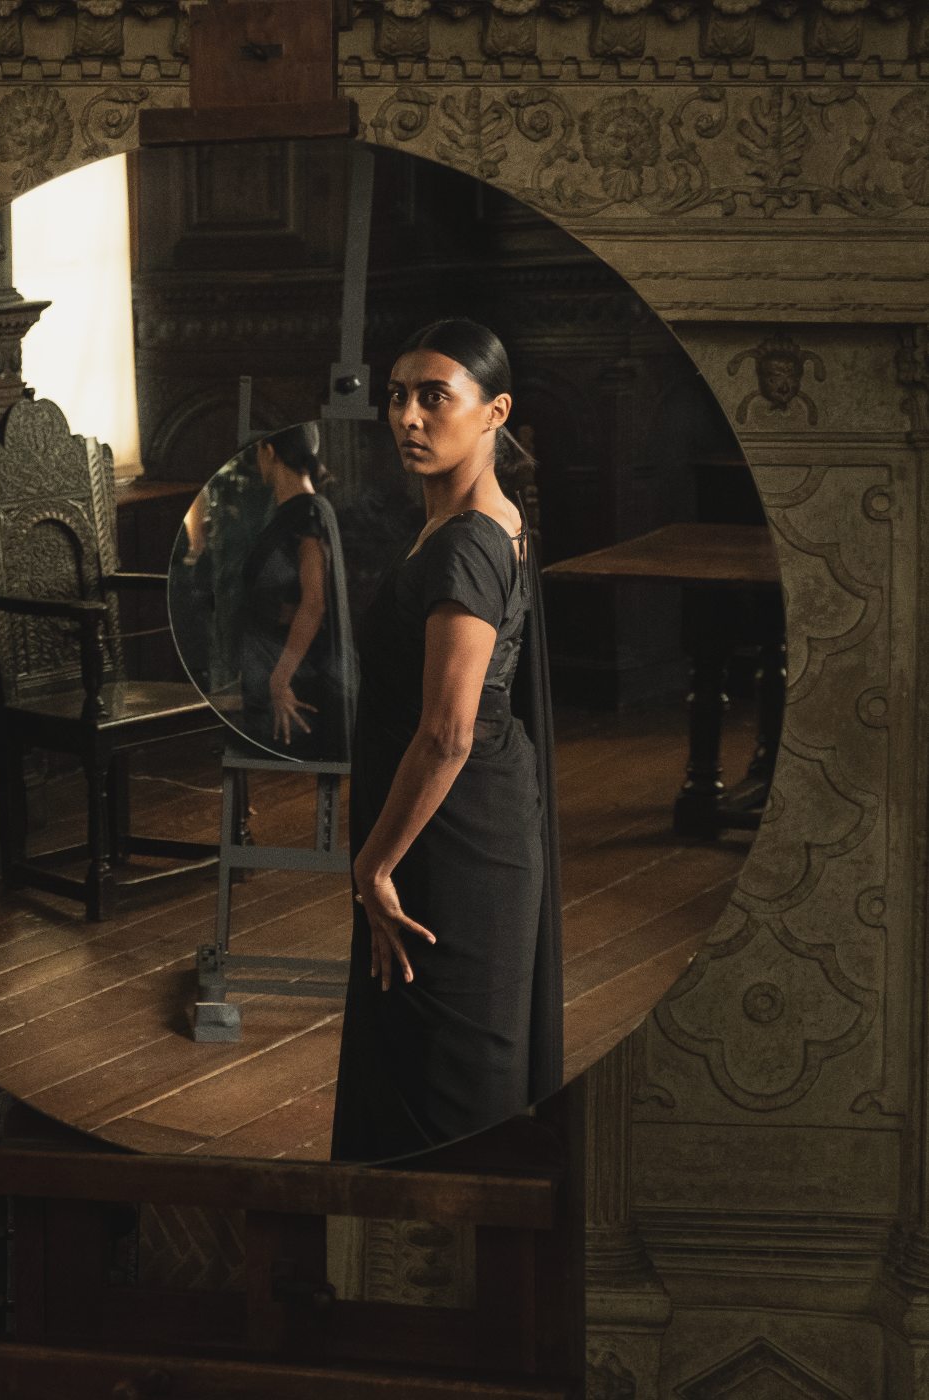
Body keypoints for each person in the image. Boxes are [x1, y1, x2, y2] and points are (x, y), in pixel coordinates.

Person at [329, 318, 563, 1164]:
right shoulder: (474, 522)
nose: (409, 418)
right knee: (429, 1056)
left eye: (437, 397)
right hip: (458, 821)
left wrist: (373, 865)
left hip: (453, 834)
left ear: (494, 412)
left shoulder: (467, 542)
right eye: (398, 397)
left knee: (448, 1074)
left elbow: (448, 733)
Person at [231, 422, 354, 761]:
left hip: (291, 671)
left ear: (267, 451)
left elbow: (313, 604)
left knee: (291, 767)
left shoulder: (309, 512)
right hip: (269, 661)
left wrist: (280, 679)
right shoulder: (286, 513)